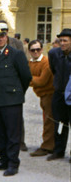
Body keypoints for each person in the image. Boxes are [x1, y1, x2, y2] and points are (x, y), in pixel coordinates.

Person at [0, 22, 32, 176]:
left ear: (7, 37)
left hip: (11, 100)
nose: (0, 39)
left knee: (13, 133)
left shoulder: (15, 54)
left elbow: (26, 77)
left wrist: (17, 93)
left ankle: (13, 163)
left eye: (3, 36)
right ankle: (3, 159)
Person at [47, 28, 71, 161]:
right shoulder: (54, 54)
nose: (62, 43)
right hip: (58, 93)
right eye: (60, 41)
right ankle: (58, 150)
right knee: (59, 123)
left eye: (65, 41)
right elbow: (53, 69)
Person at [27, 40, 54, 157]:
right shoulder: (30, 62)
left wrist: (28, 79)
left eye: (38, 49)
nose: (36, 52)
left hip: (50, 94)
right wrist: (33, 80)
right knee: (47, 120)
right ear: (29, 51)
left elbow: (42, 81)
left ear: (42, 49)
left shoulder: (46, 62)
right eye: (33, 50)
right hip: (42, 95)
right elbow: (35, 80)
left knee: (49, 121)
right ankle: (51, 145)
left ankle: (47, 146)